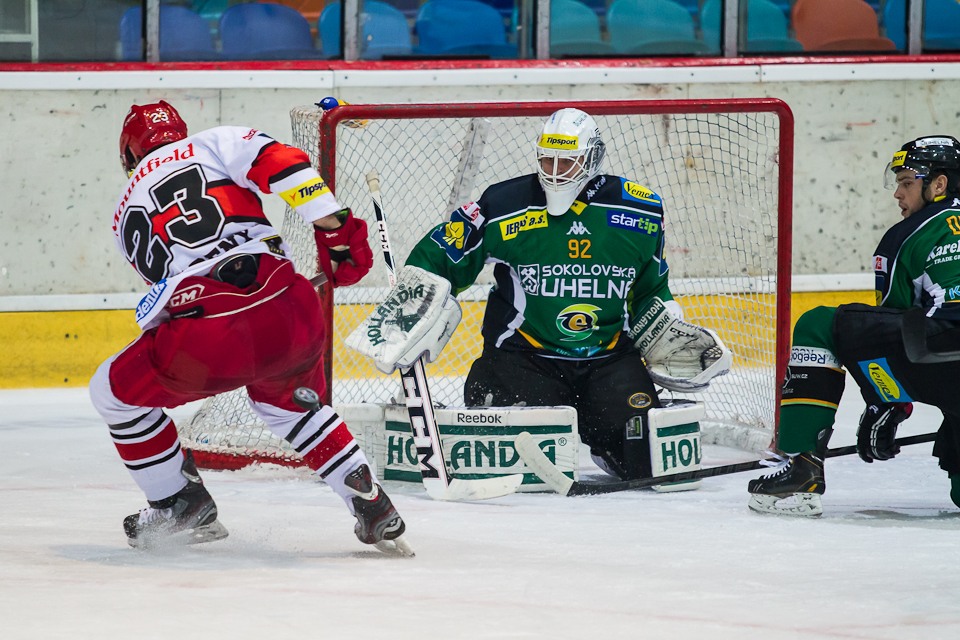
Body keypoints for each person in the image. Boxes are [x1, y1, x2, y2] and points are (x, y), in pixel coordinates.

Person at [89, 100, 412, 555]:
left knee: (112, 394)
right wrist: (335, 229)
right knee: (293, 406)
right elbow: (283, 164)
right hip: (289, 306)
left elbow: (169, 293)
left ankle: (177, 502)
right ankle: (370, 501)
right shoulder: (212, 142)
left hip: (205, 335)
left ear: (129, 156)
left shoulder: (123, 213)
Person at [350, 108, 731, 481]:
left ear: (592, 158)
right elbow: (442, 256)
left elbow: (650, 288)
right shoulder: (504, 204)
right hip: (523, 359)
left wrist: (666, 325)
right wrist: (415, 304)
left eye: (568, 162)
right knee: (524, 465)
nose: (555, 171)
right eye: (548, 160)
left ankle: (608, 436)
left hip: (609, 360)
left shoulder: (640, 212)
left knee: (647, 462)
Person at [748, 135, 960, 517]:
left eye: (907, 182)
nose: (897, 193)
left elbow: (894, 327)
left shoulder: (910, 233)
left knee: (818, 323)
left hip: (947, 353)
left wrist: (886, 404)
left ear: (939, 184)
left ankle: (802, 467)